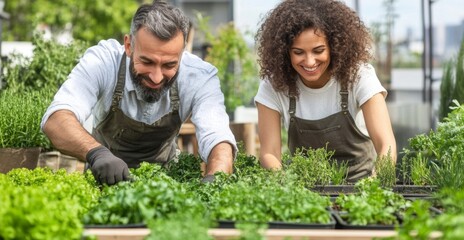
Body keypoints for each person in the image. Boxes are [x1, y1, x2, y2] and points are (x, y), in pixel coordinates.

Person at [41, 0, 236, 185]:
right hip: (103, 182)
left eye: (169, 65)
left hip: (168, 186)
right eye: (147, 62)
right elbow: (57, 119)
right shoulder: (103, 62)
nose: (157, 77)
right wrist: (96, 154)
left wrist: (215, 180)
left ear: (182, 53)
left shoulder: (199, 76)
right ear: (128, 45)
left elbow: (217, 136)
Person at [254, 0, 396, 182]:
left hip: (362, 188)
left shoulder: (359, 75)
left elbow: (386, 145)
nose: (310, 61)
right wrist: (288, 188)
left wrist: (373, 186)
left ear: (335, 47)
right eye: (298, 52)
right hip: (305, 192)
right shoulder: (274, 85)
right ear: (284, 52)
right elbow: (269, 153)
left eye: (318, 50)